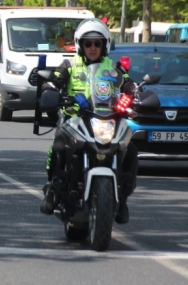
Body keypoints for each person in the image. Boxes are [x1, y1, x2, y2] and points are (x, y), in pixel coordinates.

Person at [39, 19, 138, 225]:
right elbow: (53, 81)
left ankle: (123, 197)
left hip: (108, 118)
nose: (93, 48)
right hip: (75, 119)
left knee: (131, 149)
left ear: (105, 45)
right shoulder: (69, 65)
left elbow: (129, 85)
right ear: (80, 45)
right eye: (88, 43)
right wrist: (50, 90)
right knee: (57, 145)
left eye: (97, 43)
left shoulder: (114, 67)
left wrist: (137, 94)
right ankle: (53, 188)